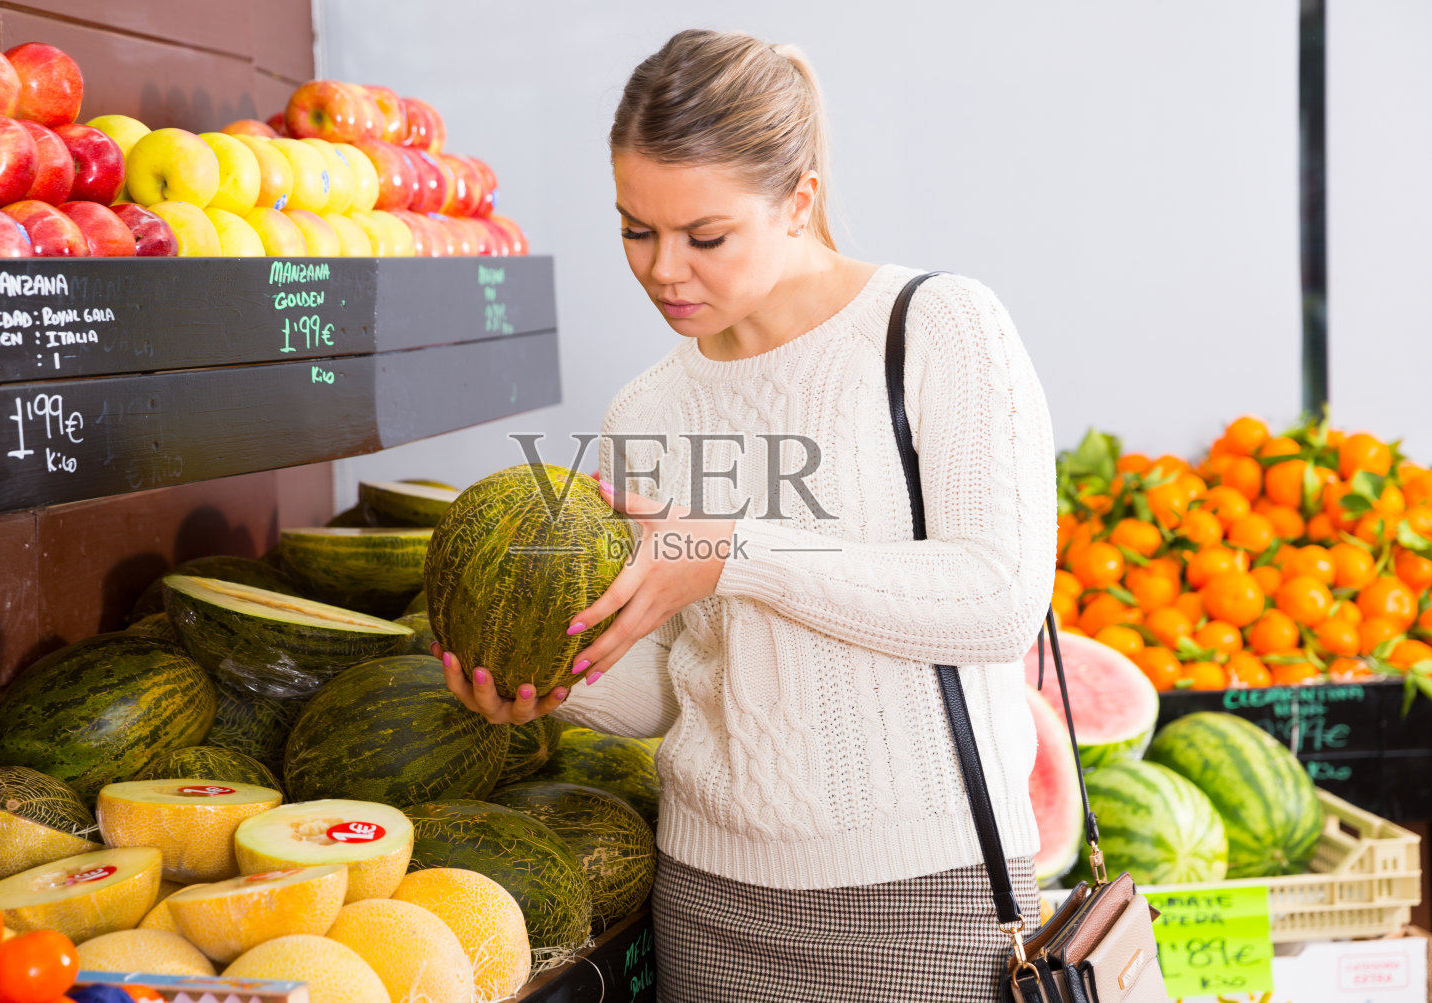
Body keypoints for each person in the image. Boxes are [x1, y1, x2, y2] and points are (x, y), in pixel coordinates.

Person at [437, 27, 1057, 1003]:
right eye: (635, 229)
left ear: (798, 199)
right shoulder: (645, 409)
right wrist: (550, 676)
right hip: (711, 904)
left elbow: (995, 600)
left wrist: (735, 552)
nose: (662, 269)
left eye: (705, 236)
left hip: (923, 900)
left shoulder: (935, 328)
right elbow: (662, 690)